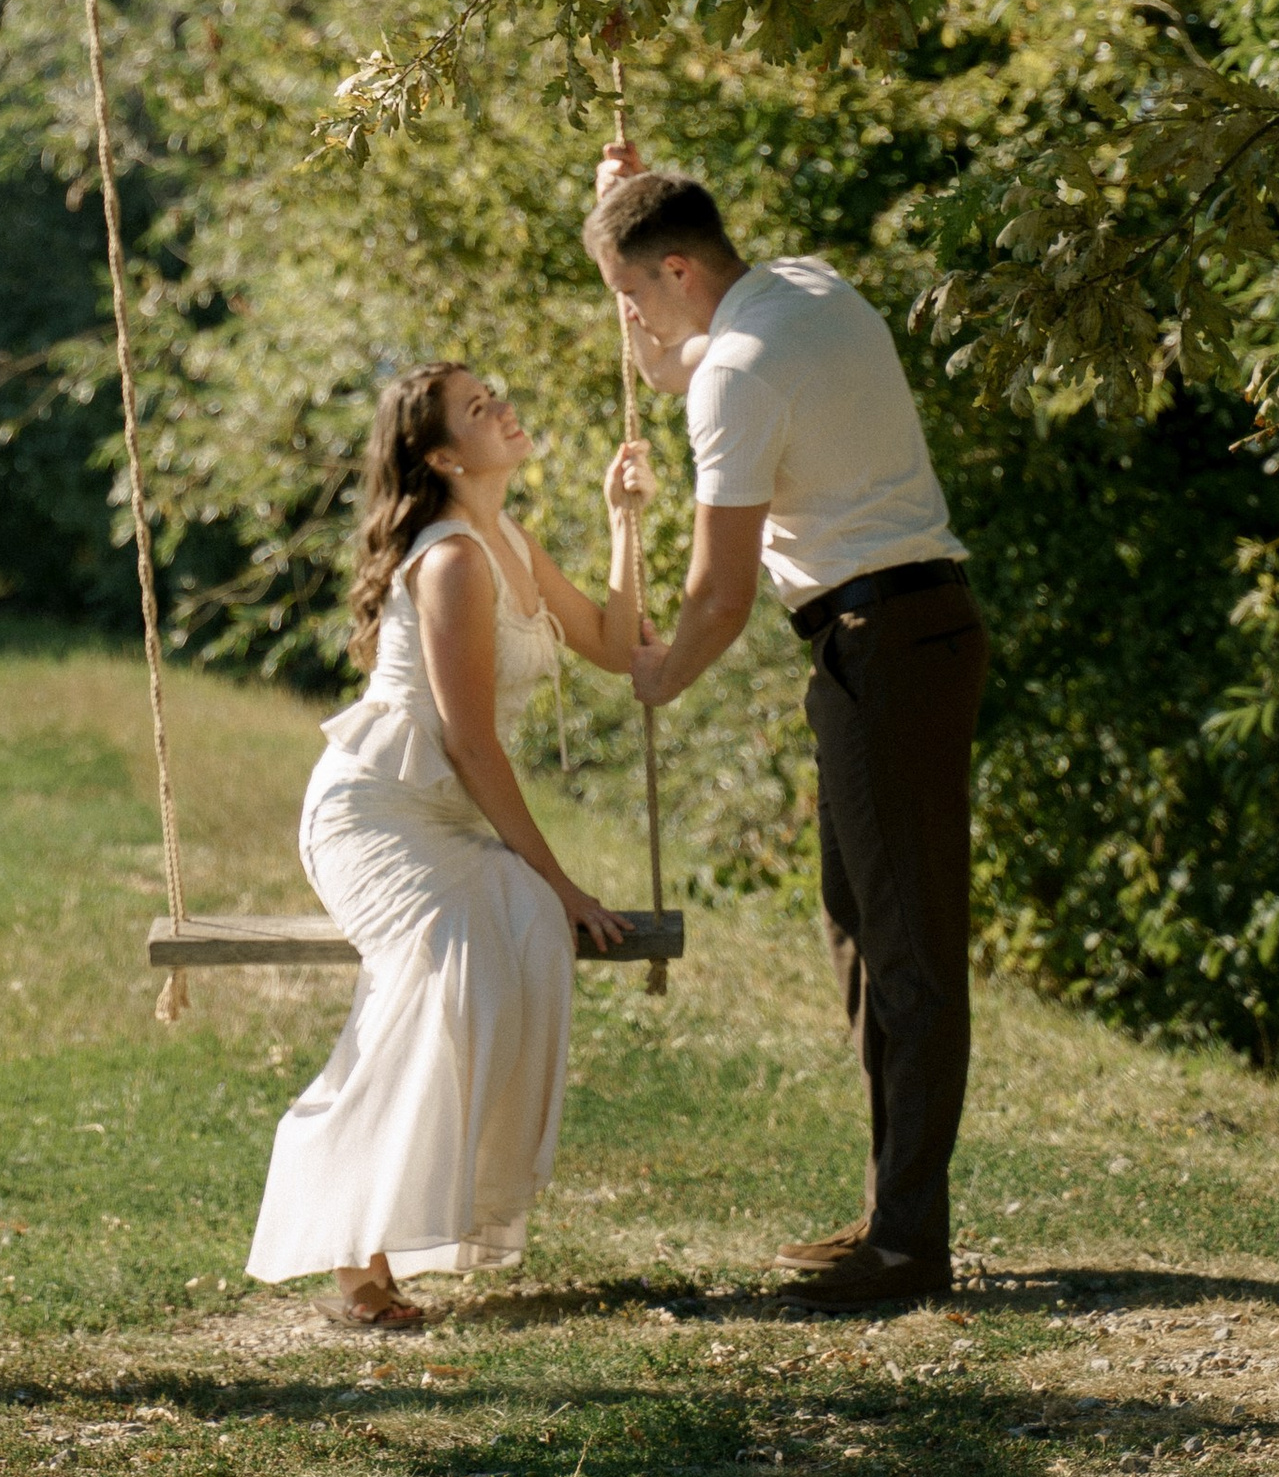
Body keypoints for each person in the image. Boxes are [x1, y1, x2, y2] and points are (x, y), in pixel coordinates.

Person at [585, 150, 987, 1312]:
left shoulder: (741, 373)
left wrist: (662, 676)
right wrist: (611, 192)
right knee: (862, 927)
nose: (628, 323)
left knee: (904, 948)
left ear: (672, 269)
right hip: (899, 640)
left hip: (886, 646)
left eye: (628, 297)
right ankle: (892, 1217)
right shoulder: (805, 288)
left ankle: (909, 1250)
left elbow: (714, 595)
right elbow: (671, 368)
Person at [246, 362, 652, 1329]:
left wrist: (626, 520)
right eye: (480, 411)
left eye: (498, 396)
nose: (505, 411)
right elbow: (468, 743)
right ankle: (352, 1249)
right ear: (439, 456)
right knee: (453, 967)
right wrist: (563, 880)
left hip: (449, 821)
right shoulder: (453, 560)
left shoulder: (504, 538)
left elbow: (611, 638)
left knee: (523, 935)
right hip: (377, 816)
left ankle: (403, 1224)